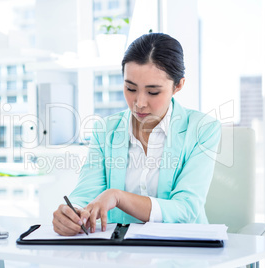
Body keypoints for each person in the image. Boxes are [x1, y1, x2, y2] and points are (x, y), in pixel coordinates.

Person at [52, 33, 221, 236]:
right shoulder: (105, 130)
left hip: (182, 249)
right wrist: (72, 213)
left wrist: (119, 197)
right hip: (119, 253)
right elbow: (85, 193)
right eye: (130, 88)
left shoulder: (203, 129)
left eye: (153, 92)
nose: (139, 102)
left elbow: (185, 209)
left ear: (178, 85)